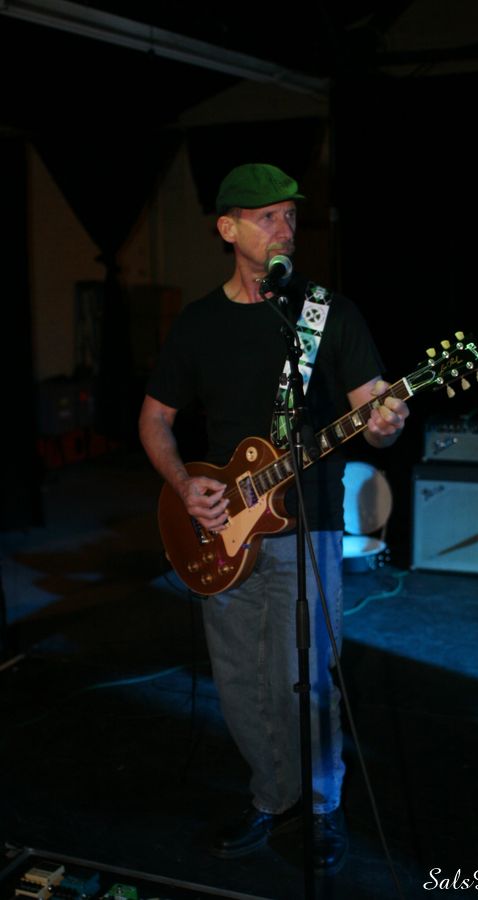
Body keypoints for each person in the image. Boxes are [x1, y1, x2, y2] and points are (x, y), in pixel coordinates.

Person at [138, 163, 409, 874]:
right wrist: (184, 486)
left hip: (307, 526)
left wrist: (387, 420)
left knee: (308, 682)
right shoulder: (199, 323)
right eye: (267, 216)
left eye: (290, 215)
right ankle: (271, 795)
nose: (284, 227)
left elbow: (374, 409)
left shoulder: (327, 314)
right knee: (239, 681)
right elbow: (155, 420)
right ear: (228, 228)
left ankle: (322, 806)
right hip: (222, 527)